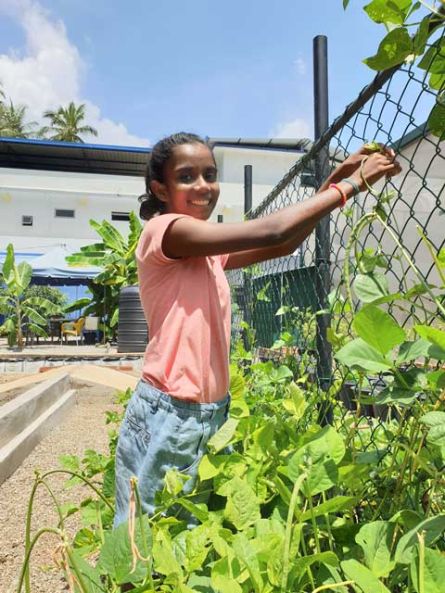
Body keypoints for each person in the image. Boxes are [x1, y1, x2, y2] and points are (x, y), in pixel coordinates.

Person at [113, 131, 401, 527]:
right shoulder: (166, 231)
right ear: (160, 188)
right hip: (171, 412)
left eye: (209, 174)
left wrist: (336, 179)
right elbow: (272, 231)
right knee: (144, 535)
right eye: (187, 177)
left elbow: (284, 243)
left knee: (176, 531)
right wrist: (353, 184)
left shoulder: (203, 250)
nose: (203, 186)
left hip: (204, 413)